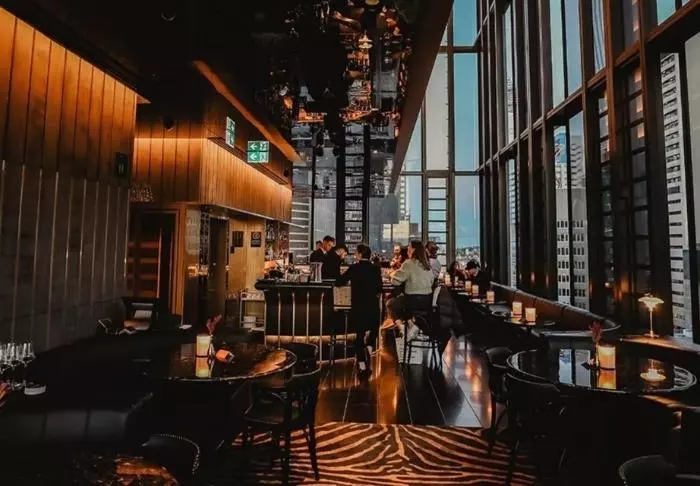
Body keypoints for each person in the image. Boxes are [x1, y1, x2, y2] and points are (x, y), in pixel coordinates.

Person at [336, 244, 382, 376]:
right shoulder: (375, 269)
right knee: (375, 329)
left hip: (358, 306)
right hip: (372, 306)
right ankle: (370, 347)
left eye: (356, 252)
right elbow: (379, 288)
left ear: (360, 254)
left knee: (359, 336)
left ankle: (362, 365)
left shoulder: (354, 268)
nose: (355, 254)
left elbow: (339, 282)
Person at [385, 240, 435, 340]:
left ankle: (402, 328)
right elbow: (432, 282)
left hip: (412, 301)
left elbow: (395, 281)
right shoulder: (427, 265)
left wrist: (391, 275)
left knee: (390, 304)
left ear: (413, 250)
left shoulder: (408, 263)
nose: (408, 249)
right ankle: (413, 326)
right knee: (402, 304)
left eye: (409, 247)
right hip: (427, 302)